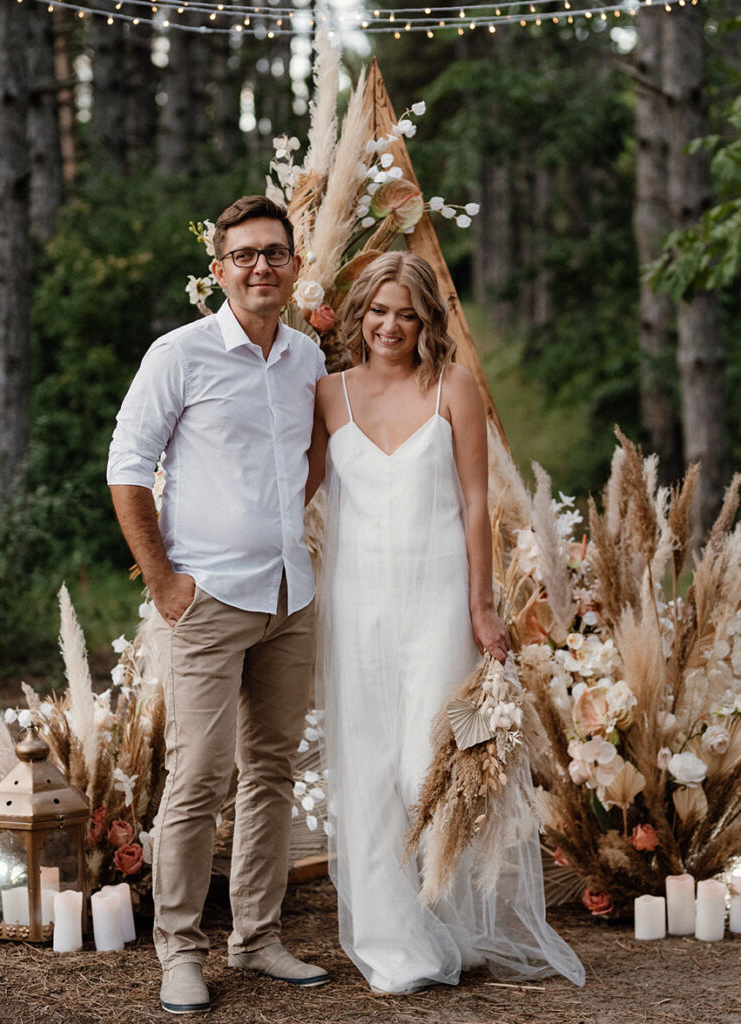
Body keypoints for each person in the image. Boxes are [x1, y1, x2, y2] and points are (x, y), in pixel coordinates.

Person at [308, 251, 585, 994]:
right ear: (359, 315)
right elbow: (296, 488)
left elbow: (474, 501)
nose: (389, 325)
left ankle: (438, 917)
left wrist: (481, 606)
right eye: (377, 310)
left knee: (423, 766)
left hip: (437, 598)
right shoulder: (328, 394)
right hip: (356, 603)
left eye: (406, 313)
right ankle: (394, 945)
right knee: (367, 774)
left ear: (426, 319)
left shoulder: (452, 386)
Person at [107, 195, 330, 1015]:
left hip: (289, 595)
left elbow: (311, 454)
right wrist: (165, 581)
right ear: (219, 270)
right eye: (243, 254)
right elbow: (127, 466)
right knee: (198, 775)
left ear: (294, 267)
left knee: (271, 770)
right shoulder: (180, 353)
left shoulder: (307, 357)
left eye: (274, 253)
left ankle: (258, 937)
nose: (259, 266)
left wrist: (280, 527)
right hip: (206, 598)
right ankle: (179, 949)